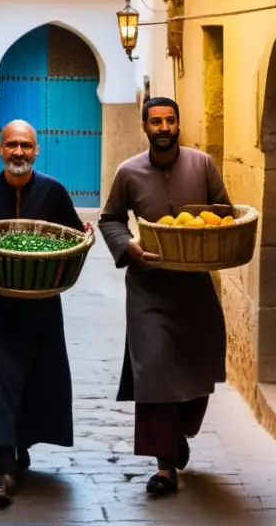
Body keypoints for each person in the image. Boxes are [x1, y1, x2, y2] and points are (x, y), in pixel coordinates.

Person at [98, 97, 229, 495]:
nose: (165, 127)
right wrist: (129, 249)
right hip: (148, 290)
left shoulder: (202, 164)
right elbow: (110, 219)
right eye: (156, 122)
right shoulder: (129, 173)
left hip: (194, 288)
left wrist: (216, 231)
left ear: (178, 124)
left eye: (171, 120)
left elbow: (224, 209)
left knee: (199, 367)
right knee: (153, 371)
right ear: (145, 127)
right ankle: (165, 466)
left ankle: (179, 434)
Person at [0, 119, 86, 507]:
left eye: (26, 146)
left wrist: (83, 233)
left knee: (36, 378)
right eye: (11, 145)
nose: (19, 152)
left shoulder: (54, 192)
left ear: (36, 151)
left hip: (41, 305)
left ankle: (21, 443)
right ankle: (3, 469)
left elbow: (73, 240)